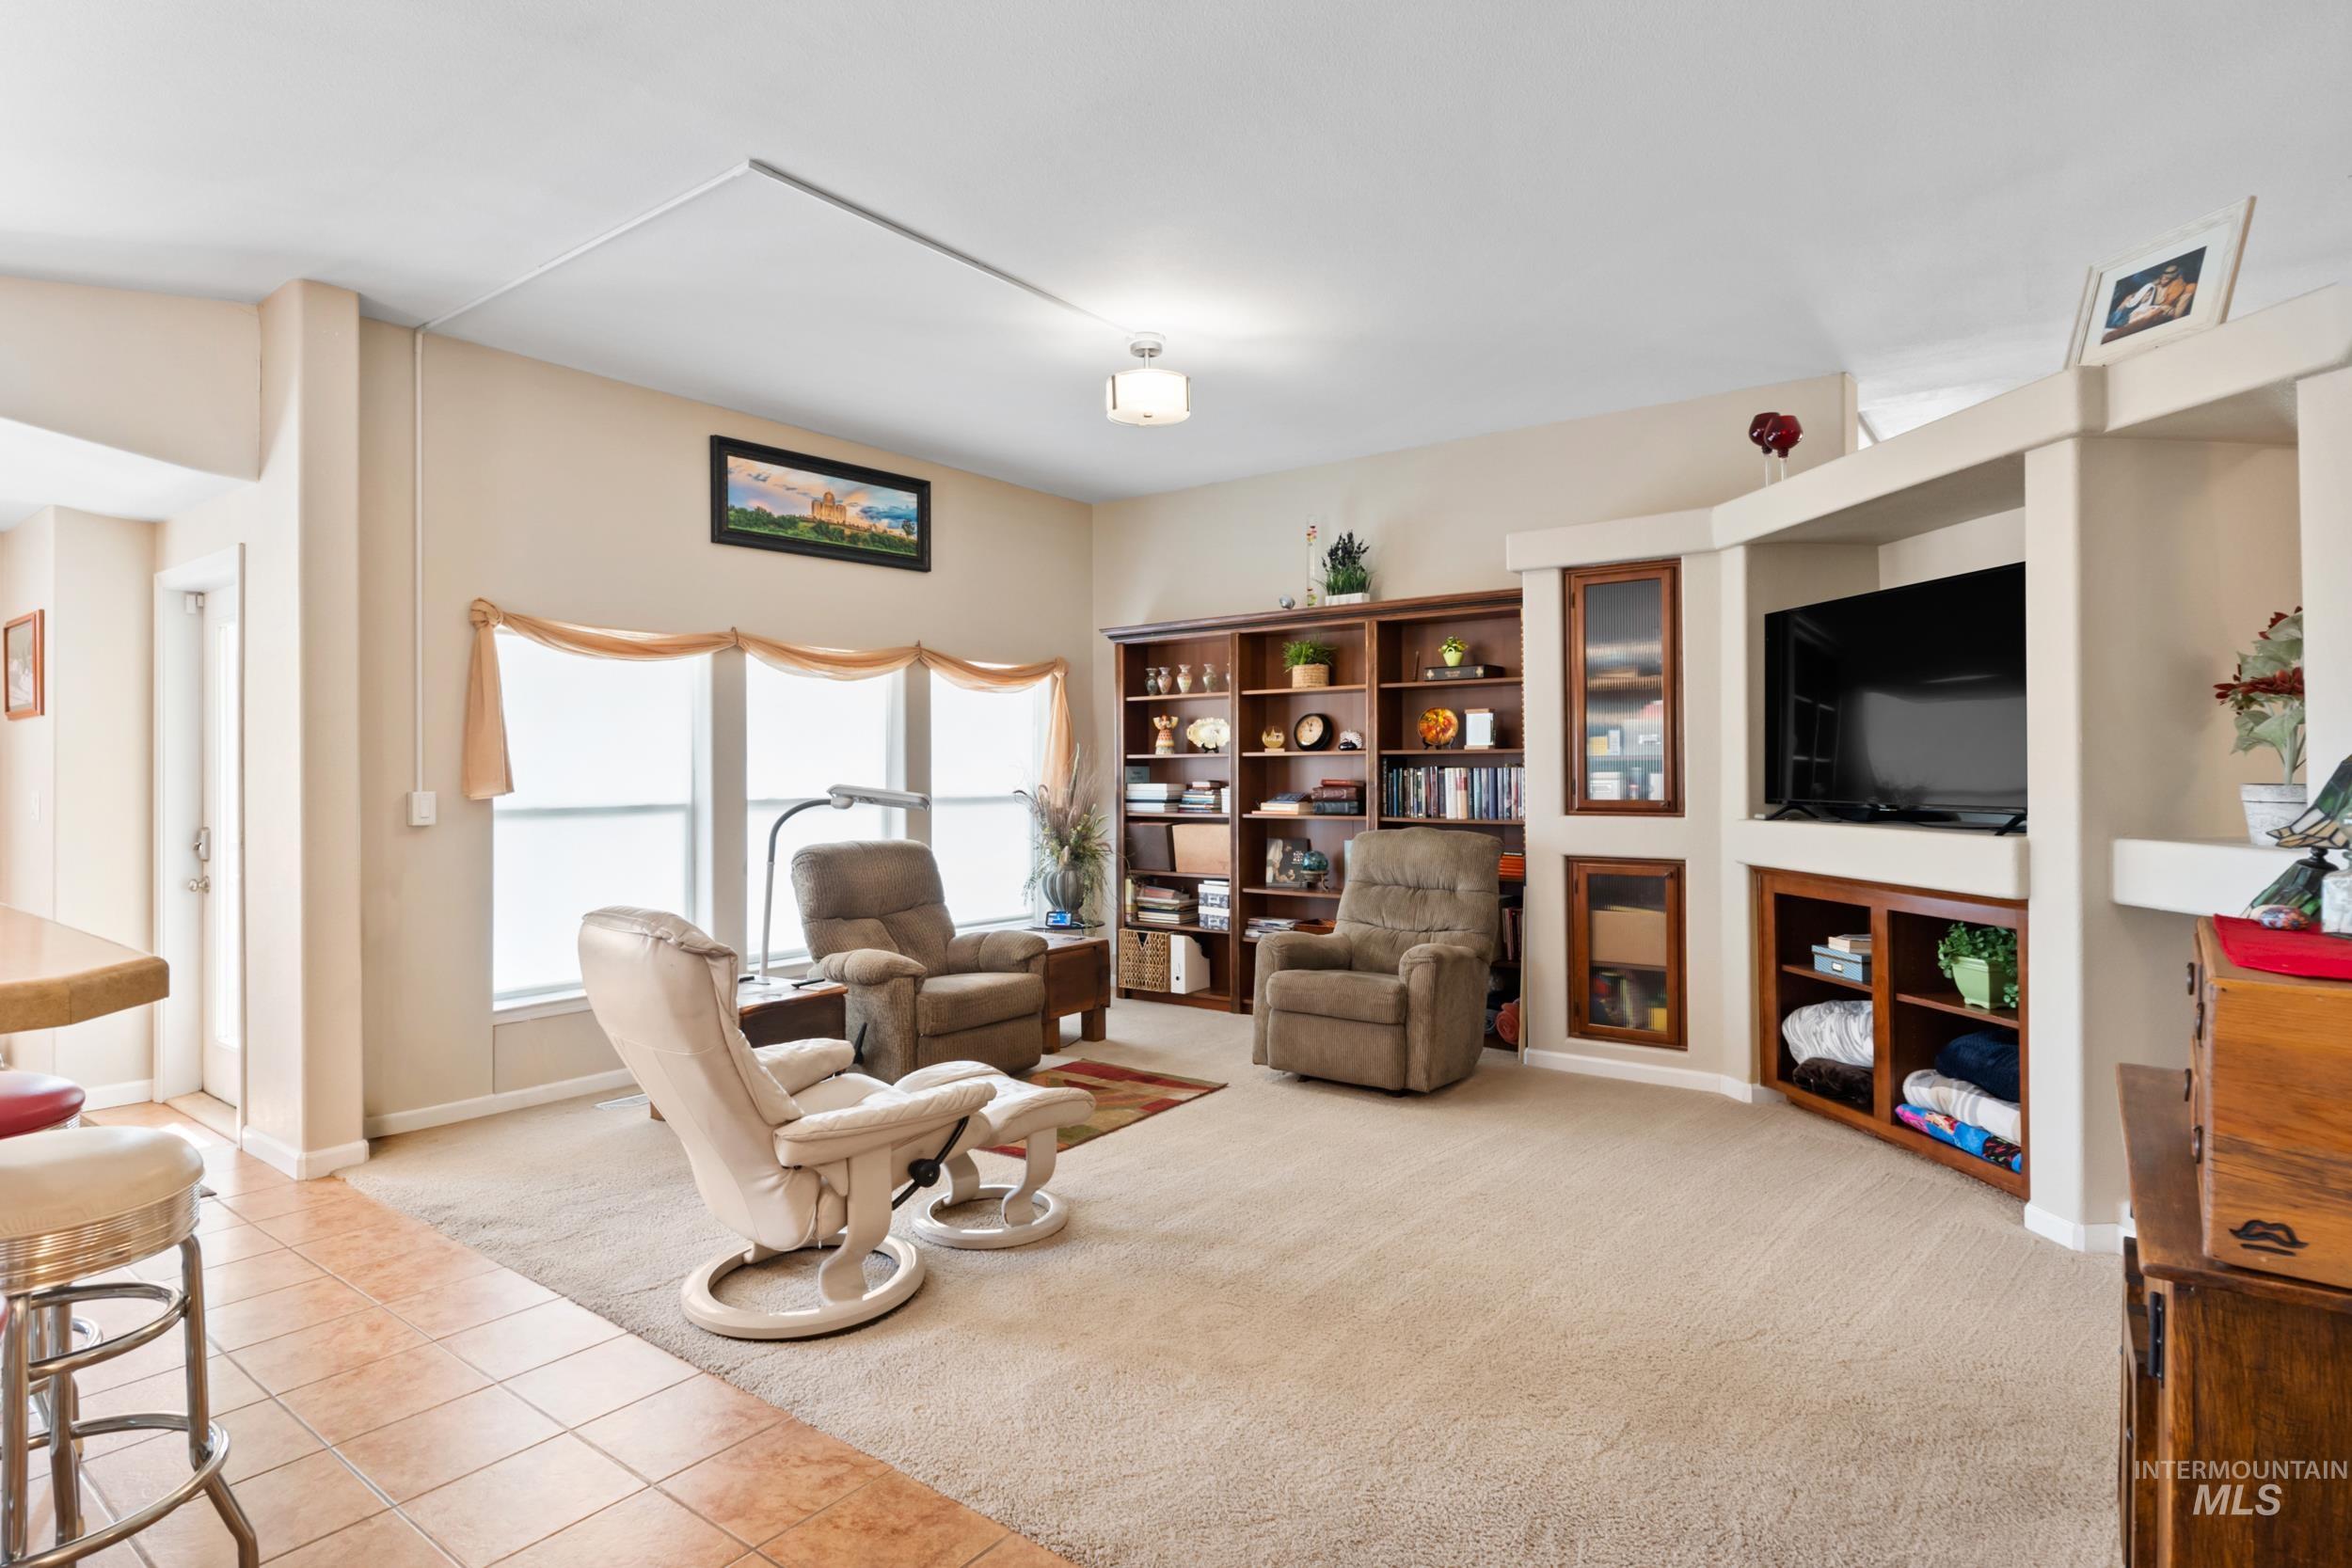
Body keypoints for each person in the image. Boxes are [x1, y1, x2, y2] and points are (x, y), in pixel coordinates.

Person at [2104, 261, 2197, 341]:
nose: (2163, 280)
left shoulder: (2184, 287)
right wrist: (2133, 298)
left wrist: (2162, 309)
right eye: (2163, 277)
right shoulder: (2155, 284)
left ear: (2174, 278)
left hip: (2152, 312)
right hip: (2135, 308)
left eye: (2167, 278)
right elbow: (2137, 295)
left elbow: (2175, 314)